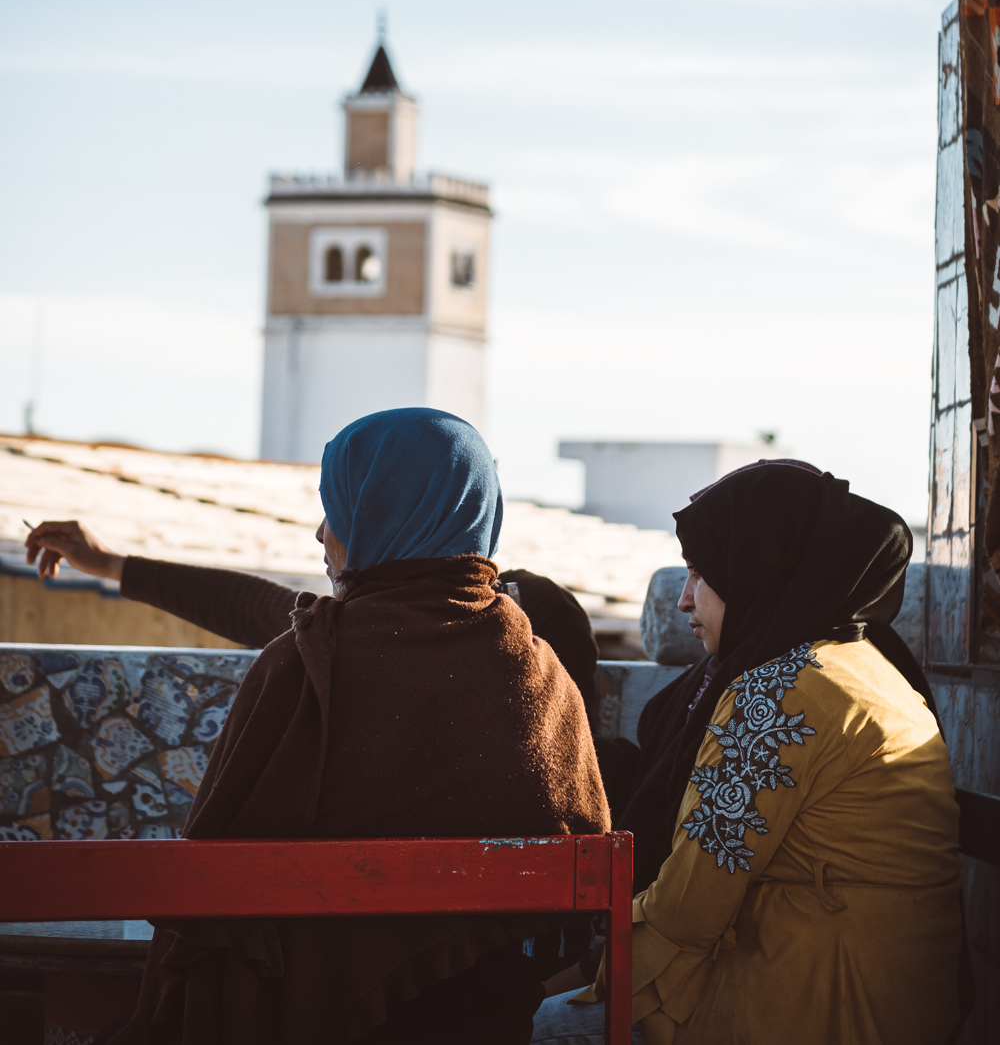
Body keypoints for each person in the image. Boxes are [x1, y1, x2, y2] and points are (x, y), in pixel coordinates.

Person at [28, 408, 610, 1045]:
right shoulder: (541, 673)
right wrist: (113, 565)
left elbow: (207, 884)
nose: (319, 533)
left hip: (294, 1023)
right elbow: (577, 886)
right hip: (483, 1021)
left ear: (382, 515)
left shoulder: (312, 659)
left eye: (338, 508)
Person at [532, 460, 963, 1045]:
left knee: (532, 1027)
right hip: (898, 995)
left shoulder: (780, 692)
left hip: (819, 1002)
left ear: (759, 572)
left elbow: (688, 908)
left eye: (701, 575)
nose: (684, 601)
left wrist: (564, 984)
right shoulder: (868, 669)